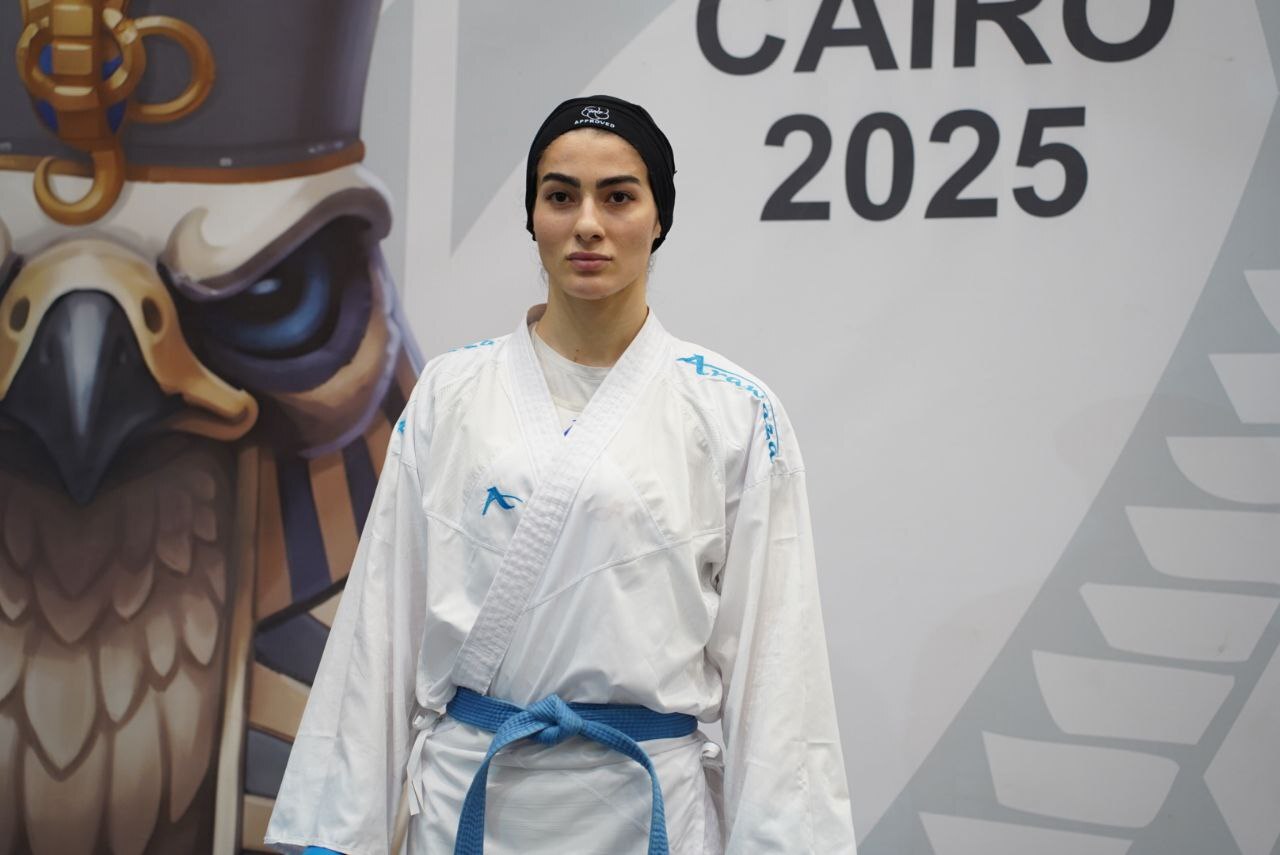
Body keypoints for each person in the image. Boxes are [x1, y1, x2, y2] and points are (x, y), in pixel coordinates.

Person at [265, 95, 857, 854]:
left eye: (619, 196)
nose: (587, 223)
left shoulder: (733, 409)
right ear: (533, 216)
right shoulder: (451, 392)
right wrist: (340, 833)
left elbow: (778, 662)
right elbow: (380, 625)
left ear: (659, 217)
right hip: (471, 799)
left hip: (645, 808)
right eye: (560, 196)